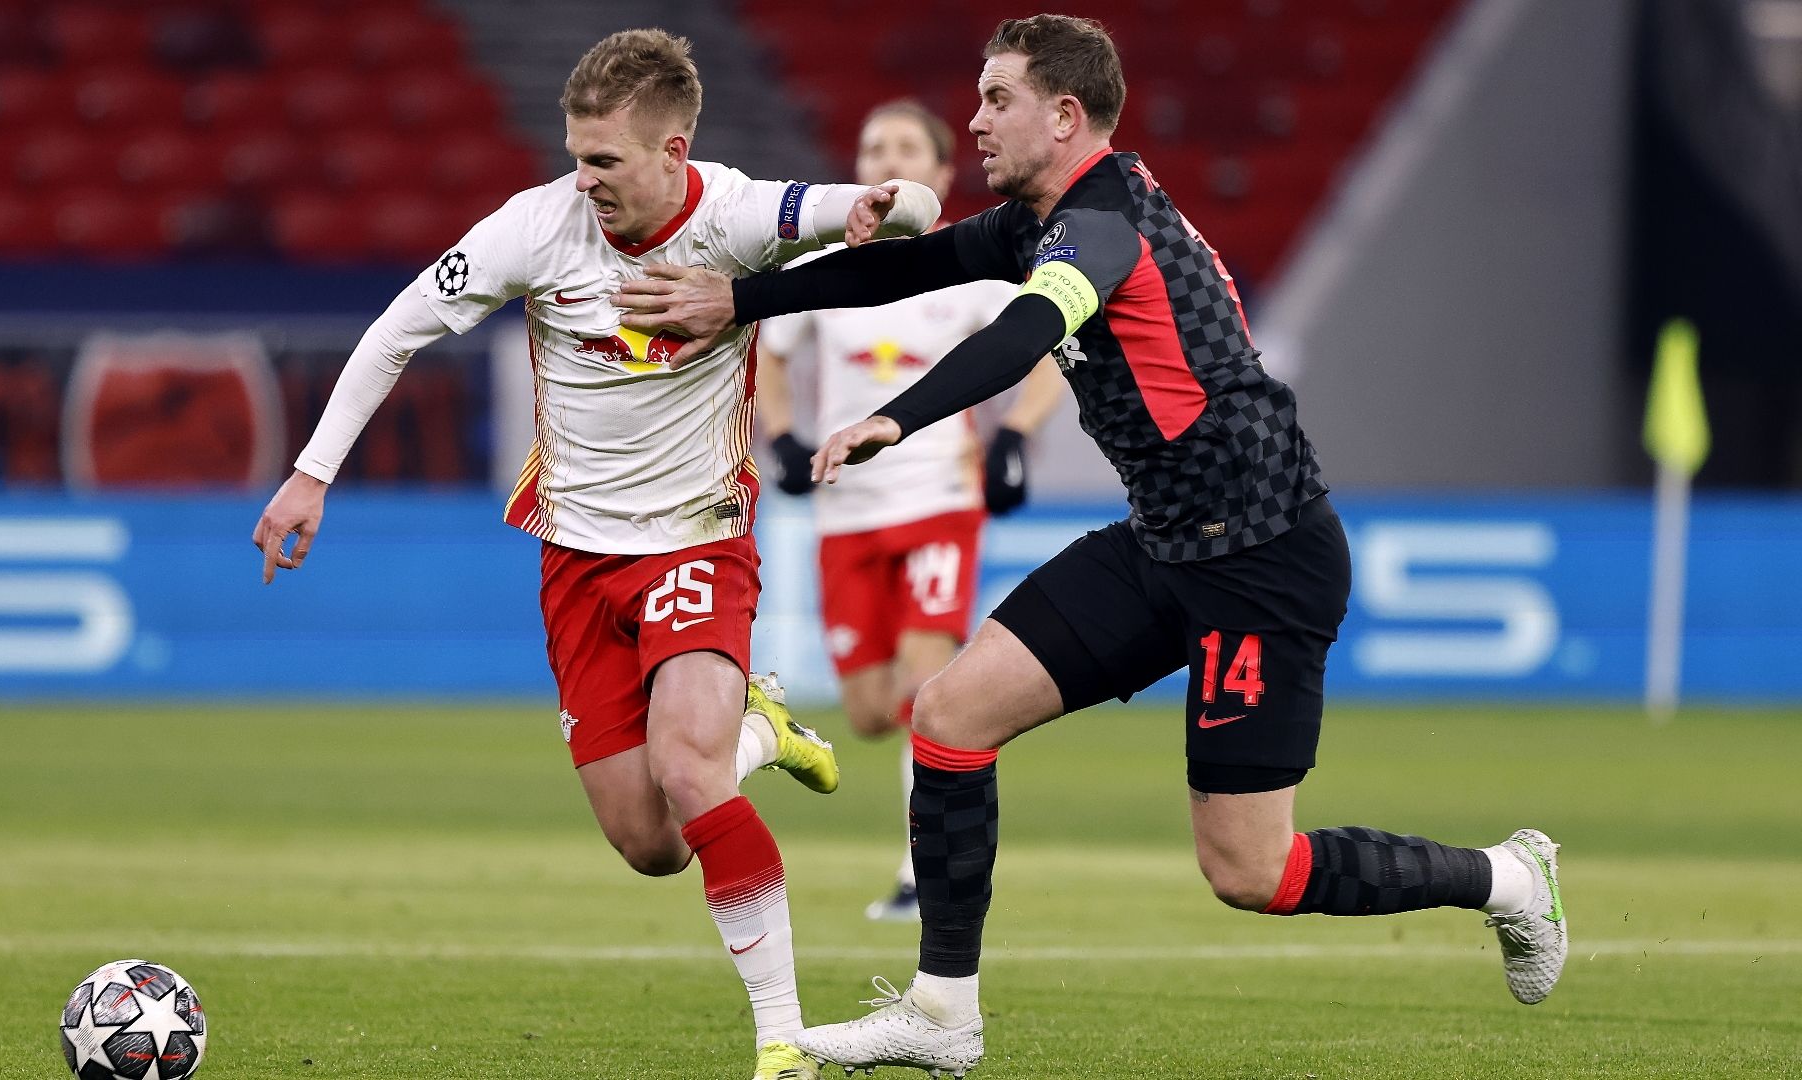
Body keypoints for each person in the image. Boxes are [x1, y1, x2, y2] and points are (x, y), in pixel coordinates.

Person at [612, 15, 1568, 1077]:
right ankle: (943, 1013)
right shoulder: (1038, 222)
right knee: (950, 714)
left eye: (997, 100)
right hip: (1165, 544)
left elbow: (1022, 332)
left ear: (1065, 116)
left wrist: (898, 417)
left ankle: (1510, 880)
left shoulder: (1103, 227)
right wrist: (738, 300)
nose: (973, 122)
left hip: (1263, 558)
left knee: (1251, 870)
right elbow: (902, 269)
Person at [249, 29, 943, 1080]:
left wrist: (886, 207)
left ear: (674, 152)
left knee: (687, 771)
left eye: (606, 161)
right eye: (577, 156)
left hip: (699, 537)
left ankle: (782, 1040)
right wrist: (312, 473)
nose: (587, 180)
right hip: (575, 558)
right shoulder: (537, 226)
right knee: (649, 840)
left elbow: (903, 217)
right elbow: (398, 328)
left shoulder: (742, 214)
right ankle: (761, 732)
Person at [754, 99, 1065, 923]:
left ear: (939, 175)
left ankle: (921, 870)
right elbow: (771, 361)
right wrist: (782, 437)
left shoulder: (973, 270)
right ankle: (929, 799)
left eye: (903, 146)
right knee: (865, 713)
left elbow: (1048, 353)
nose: (884, 156)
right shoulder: (820, 273)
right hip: (847, 512)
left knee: (927, 686)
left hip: (938, 499)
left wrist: (1015, 439)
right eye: (869, 145)